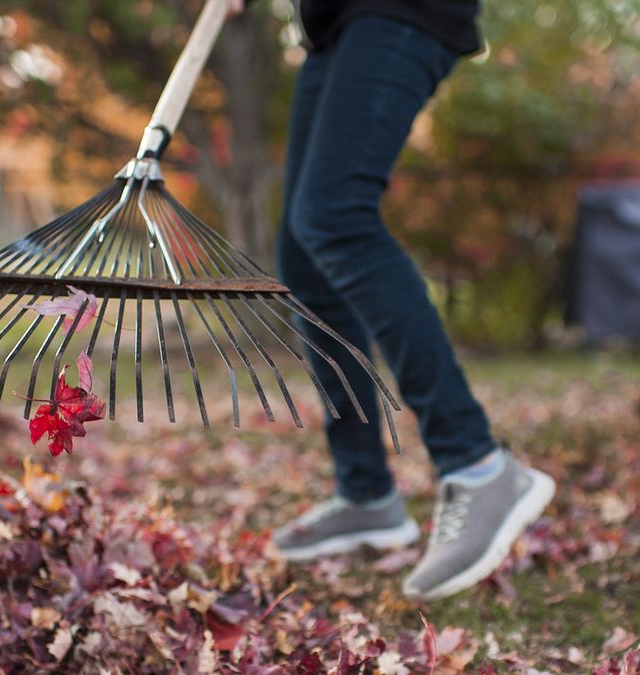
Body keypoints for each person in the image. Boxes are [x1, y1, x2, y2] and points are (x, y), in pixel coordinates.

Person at [226, 0, 555, 600]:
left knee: (333, 217)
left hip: (404, 6)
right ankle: (366, 493)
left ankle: (477, 464)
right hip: (335, 24)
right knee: (305, 250)